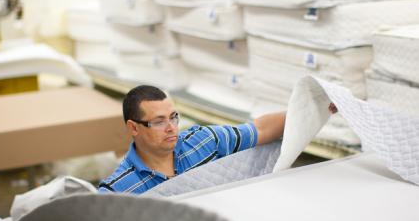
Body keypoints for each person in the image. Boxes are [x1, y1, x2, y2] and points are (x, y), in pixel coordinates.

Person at [99, 85, 335, 195]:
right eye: (159, 122)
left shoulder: (203, 141)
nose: (171, 128)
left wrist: (314, 108)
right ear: (134, 128)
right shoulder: (116, 191)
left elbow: (260, 129)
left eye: (173, 117)